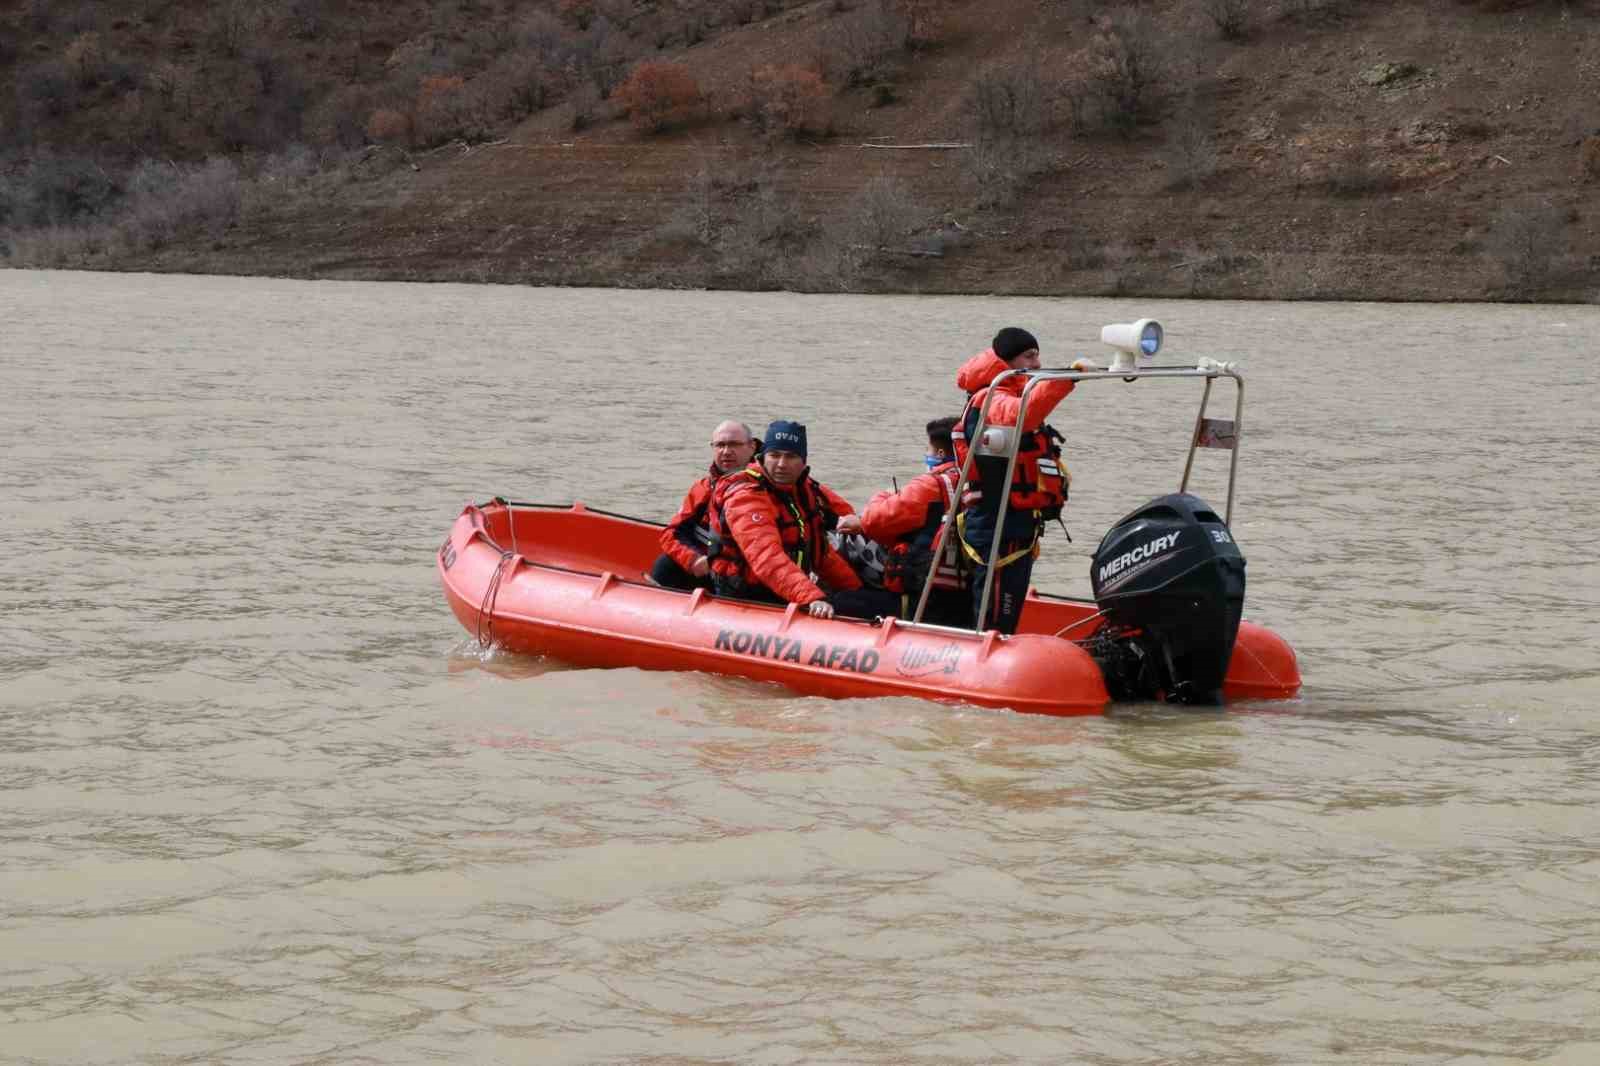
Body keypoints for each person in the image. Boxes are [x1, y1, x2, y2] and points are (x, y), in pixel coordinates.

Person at [951, 326, 1094, 634]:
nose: (1038, 364)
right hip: (995, 523)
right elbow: (1021, 415)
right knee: (995, 610)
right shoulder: (988, 398)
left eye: (1038, 356)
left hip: (1018, 523)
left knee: (1008, 603)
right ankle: (985, 653)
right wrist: (1066, 379)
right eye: (1029, 356)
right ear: (1007, 362)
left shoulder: (1014, 392)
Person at [707, 420, 895, 620]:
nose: (781, 464)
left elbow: (820, 553)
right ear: (762, 457)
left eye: (791, 456)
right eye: (775, 455)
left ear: (803, 461)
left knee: (868, 600)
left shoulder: (804, 490)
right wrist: (811, 597)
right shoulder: (746, 496)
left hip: (787, 589)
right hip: (749, 596)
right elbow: (767, 558)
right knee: (855, 604)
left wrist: (854, 588)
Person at [859, 416, 974, 627]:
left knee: (843, 600)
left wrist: (884, 496)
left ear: (940, 453)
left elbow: (872, 522)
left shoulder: (930, 485)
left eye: (928, 449)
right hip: (964, 591)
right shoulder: (976, 483)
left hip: (923, 597)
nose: (927, 454)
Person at [649, 420, 760, 591]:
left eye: (734, 445)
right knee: (666, 565)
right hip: (710, 569)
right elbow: (672, 534)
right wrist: (694, 559)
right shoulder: (703, 488)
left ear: (752, 447)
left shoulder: (766, 488)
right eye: (720, 445)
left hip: (748, 573)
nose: (726, 452)